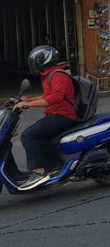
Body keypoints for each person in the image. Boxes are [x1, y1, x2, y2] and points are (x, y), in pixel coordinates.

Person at [15, 46, 78, 190]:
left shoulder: (58, 75)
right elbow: (47, 96)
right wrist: (28, 99)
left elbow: (55, 98)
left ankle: (38, 172)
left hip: (63, 115)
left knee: (28, 135)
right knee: (39, 136)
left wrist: (29, 104)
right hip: (55, 114)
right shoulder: (49, 75)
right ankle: (53, 168)